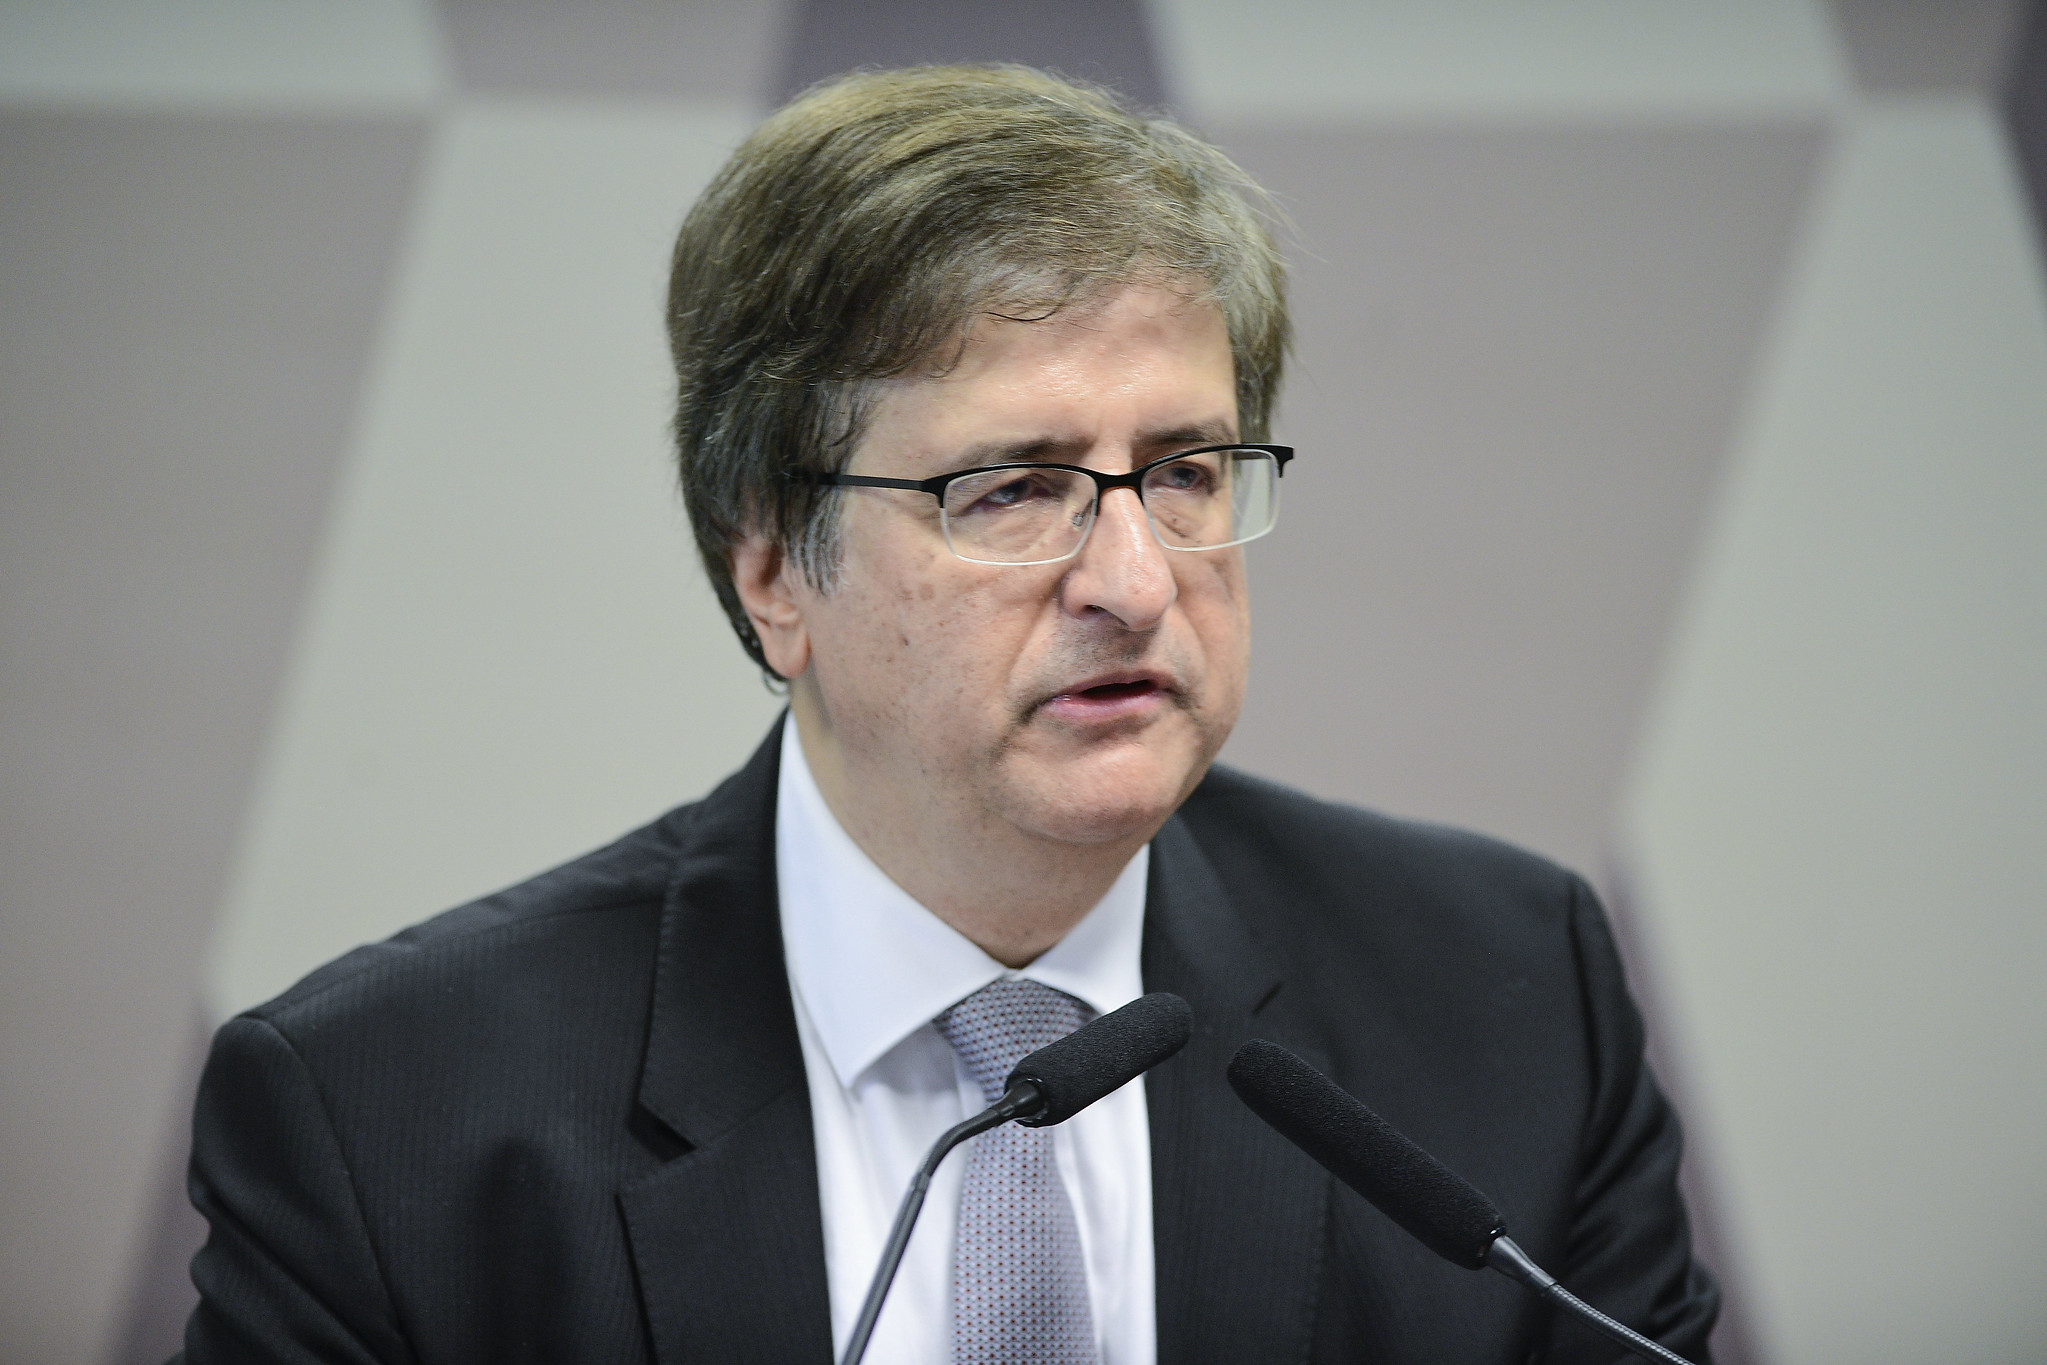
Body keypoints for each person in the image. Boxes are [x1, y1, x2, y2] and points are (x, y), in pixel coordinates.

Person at [175, 65, 1719, 1364]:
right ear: (771, 564)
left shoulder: (1510, 999)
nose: (1136, 580)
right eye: (1013, 489)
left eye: (1185, 471)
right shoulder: (390, 1118)